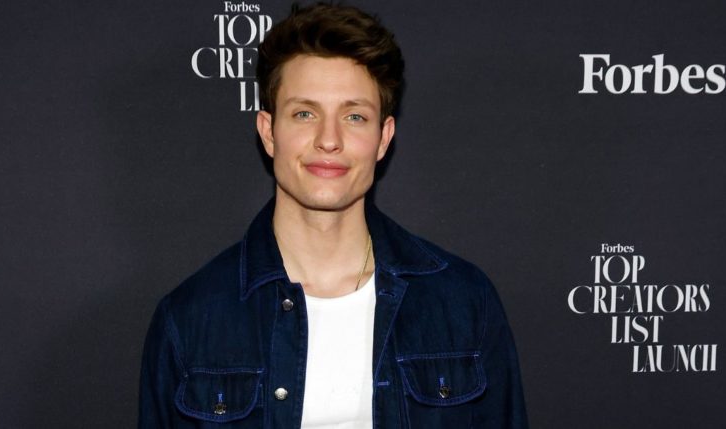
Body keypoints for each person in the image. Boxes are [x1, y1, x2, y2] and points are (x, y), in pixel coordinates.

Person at [139, 3, 527, 428]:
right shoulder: (190, 318)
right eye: (305, 113)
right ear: (269, 132)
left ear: (383, 138)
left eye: (354, 116)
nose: (329, 139)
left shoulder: (464, 302)